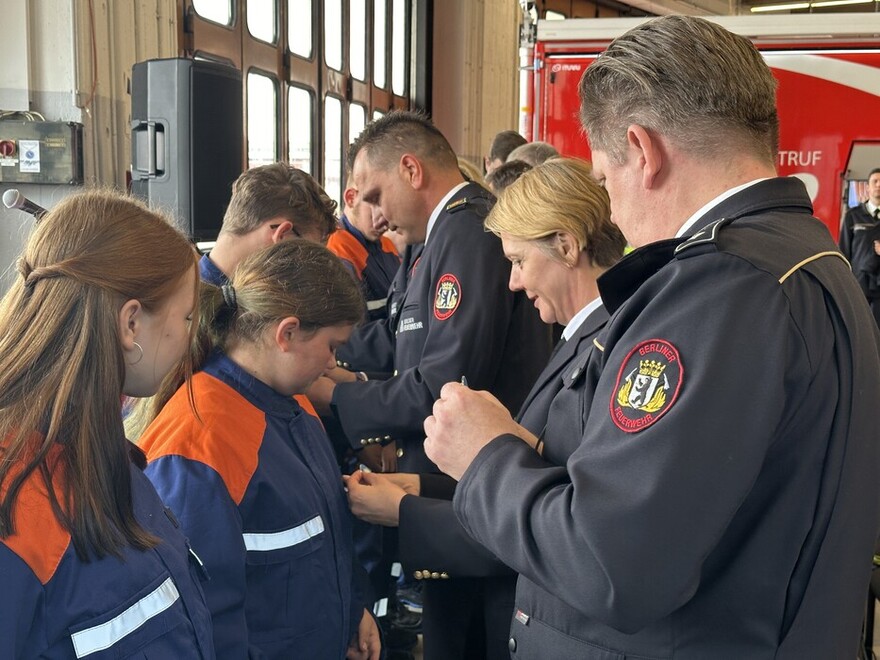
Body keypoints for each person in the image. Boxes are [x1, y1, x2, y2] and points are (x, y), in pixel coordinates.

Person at [424, 15, 880, 659]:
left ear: (644, 150)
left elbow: (612, 566)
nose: (610, 210)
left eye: (606, 181)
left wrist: (485, 457)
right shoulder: (811, 260)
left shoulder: (719, 288)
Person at [345, 157, 625, 660]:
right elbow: (542, 475)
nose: (513, 283)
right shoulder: (582, 340)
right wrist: (419, 487)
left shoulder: (607, 350)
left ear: (566, 245)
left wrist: (407, 512)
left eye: (519, 262)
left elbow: (555, 520)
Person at [311, 110, 552, 659]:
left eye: (375, 194)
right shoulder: (435, 237)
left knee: (463, 640)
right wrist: (323, 346)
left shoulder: (467, 232)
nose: (372, 215)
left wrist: (339, 396)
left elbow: (445, 386)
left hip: (472, 492)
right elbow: (400, 336)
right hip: (449, 489)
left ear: (411, 169)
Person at [138, 239, 380, 660]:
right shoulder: (199, 447)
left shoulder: (294, 403)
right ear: (286, 333)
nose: (331, 365)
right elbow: (205, 619)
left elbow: (321, 540)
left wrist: (352, 607)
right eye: (332, 347)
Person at [0, 190, 215, 658]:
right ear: (131, 324)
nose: (189, 332)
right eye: (185, 316)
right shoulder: (18, 507)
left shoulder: (97, 450)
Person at [199, 161, 337, 286]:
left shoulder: (187, 295)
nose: (304, 268)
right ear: (282, 235)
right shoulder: (237, 309)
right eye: (307, 255)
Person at [327, 164, 402, 323]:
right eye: (375, 204)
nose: (385, 218)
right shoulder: (336, 253)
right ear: (350, 198)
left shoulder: (388, 246)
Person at [839, 167, 880, 325]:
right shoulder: (853, 216)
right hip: (858, 284)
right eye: (875, 181)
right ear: (867, 187)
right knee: (858, 326)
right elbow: (843, 252)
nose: (878, 185)